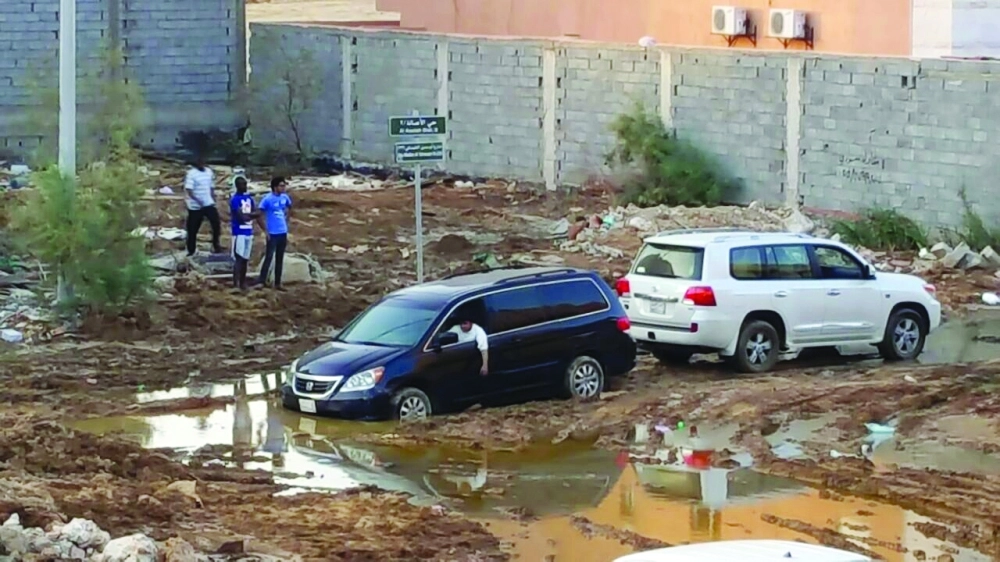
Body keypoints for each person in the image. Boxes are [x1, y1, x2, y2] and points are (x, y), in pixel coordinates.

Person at [257, 176, 292, 290]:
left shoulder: (285, 197)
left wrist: (287, 220)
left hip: (283, 232)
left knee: (280, 258)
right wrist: (265, 230)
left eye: (284, 185)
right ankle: (262, 281)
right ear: (275, 187)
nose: (283, 188)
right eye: (281, 186)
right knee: (269, 256)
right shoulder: (267, 199)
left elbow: (289, 207)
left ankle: (278, 282)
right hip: (272, 233)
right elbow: (259, 214)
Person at [183, 158, 223, 256]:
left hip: (208, 203)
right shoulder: (191, 173)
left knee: (216, 224)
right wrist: (197, 200)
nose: (201, 165)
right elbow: (189, 190)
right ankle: (191, 249)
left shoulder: (209, 172)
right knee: (192, 229)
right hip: (196, 206)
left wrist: (213, 198)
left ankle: (216, 245)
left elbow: (211, 186)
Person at [229, 176, 258, 291]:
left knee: (245, 259)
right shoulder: (234, 199)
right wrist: (252, 215)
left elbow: (256, 212)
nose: (245, 187)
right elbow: (241, 217)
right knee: (238, 258)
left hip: (248, 231)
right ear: (237, 185)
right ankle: (235, 283)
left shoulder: (249, 198)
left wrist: (250, 216)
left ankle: (243, 282)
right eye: (242, 184)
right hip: (238, 232)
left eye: (245, 184)